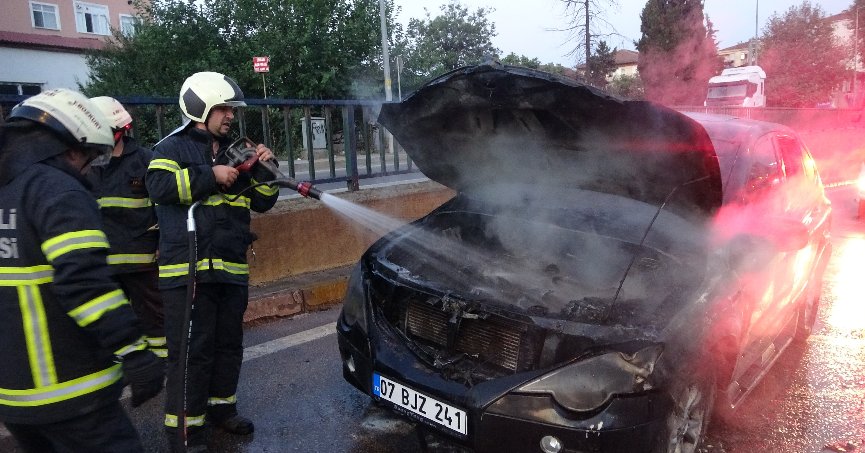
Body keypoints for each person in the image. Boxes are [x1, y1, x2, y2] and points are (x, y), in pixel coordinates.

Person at [0, 88, 164, 452]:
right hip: (74, 392)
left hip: (14, 401)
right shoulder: (59, 192)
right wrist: (135, 352)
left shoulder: (7, 192)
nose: (91, 168)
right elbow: (85, 284)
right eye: (90, 156)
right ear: (71, 147)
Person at [146, 71, 279, 449]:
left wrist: (267, 167)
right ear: (200, 108)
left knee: (228, 345)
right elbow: (159, 187)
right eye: (222, 108)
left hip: (230, 268)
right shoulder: (171, 148)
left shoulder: (240, 150)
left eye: (230, 109)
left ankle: (223, 410)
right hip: (188, 273)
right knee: (192, 352)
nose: (230, 116)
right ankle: (185, 428)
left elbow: (264, 201)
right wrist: (210, 174)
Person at [87, 96, 165, 361]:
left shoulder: (146, 161)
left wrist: (162, 245)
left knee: (154, 318)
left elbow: (164, 209)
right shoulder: (86, 167)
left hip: (141, 262)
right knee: (107, 322)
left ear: (119, 131)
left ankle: (160, 364)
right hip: (100, 265)